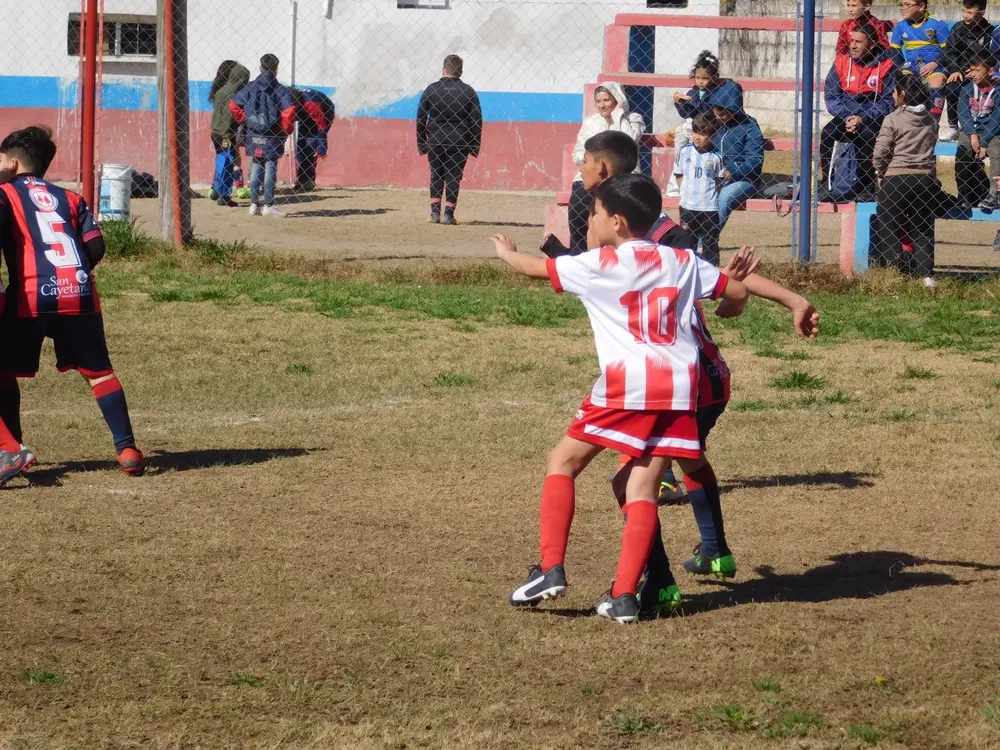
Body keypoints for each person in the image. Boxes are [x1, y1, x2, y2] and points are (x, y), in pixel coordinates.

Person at [497, 173, 750, 624]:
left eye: (594, 213)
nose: (590, 221)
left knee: (562, 462)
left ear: (616, 221)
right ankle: (625, 596)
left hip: (626, 385)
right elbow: (737, 290)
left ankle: (551, 567)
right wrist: (731, 307)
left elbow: (536, 268)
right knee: (641, 488)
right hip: (679, 389)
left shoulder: (600, 263)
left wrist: (506, 253)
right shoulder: (682, 260)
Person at [0, 126, 144, 480]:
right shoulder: (71, 197)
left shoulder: (4, 194)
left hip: (29, 298)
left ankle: (11, 449)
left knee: (3, 372)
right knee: (100, 373)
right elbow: (96, 247)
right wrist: (70, 274)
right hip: (79, 295)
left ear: (13, 163)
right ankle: (127, 449)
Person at [873, 74, 945, 287]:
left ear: (902, 94)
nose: (892, 95)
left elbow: (880, 153)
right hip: (924, 179)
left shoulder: (893, 119)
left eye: (895, 92)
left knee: (888, 224)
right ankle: (926, 275)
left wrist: (881, 172)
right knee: (922, 227)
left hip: (896, 178)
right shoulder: (931, 119)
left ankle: (895, 272)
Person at [563, 82, 645, 252]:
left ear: (617, 99)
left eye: (606, 100)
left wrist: (619, 114)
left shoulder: (633, 119)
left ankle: (619, 252)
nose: (602, 105)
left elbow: (628, 141)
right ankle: (577, 254)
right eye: (598, 101)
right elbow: (578, 152)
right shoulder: (591, 122)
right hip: (592, 174)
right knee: (577, 208)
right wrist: (593, 161)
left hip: (621, 175)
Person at [821, 24, 896, 201]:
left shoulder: (887, 65)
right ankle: (828, 184)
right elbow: (831, 97)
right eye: (851, 41)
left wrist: (863, 118)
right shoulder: (841, 63)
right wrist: (848, 117)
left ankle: (866, 187)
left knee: (869, 136)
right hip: (846, 115)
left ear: (871, 44)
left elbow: (888, 101)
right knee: (828, 133)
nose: (853, 46)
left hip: (872, 116)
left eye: (858, 42)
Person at [416, 55, 483, 226]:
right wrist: (474, 145)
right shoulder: (469, 92)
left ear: (443, 70)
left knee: (436, 174)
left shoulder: (431, 90)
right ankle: (449, 214)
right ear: (461, 71)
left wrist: (422, 143)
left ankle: (434, 213)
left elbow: (421, 118)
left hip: (436, 140)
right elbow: (476, 121)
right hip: (459, 141)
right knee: (454, 176)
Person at [229, 53, 296, 218]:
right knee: (270, 167)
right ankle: (268, 205)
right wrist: (284, 129)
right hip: (273, 135)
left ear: (260, 67)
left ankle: (254, 204)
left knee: (256, 165)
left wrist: (246, 120)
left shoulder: (250, 87)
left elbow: (234, 105)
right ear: (276, 69)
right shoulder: (279, 89)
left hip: (253, 133)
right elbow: (289, 111)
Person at [667, 51, 741, 199]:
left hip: (707, 128)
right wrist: (680, 103)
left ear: (713, 78)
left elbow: (706, 110)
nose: (700, 81)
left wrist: (690, 100)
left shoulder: (714, 93)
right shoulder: (693, 92)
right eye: (698, 78)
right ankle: (676, 187)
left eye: (705, 78)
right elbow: (687, 114)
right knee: (681, 151)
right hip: (693, 127)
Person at [706, 80, 764, 231]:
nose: (718, 114)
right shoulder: (712, 122)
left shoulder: (749, 125)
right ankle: (692, 238)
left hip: (744, 179)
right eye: (716, 109)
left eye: (723, 111)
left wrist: (732, 171)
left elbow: (755, 160)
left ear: (734, 109)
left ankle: (706, 240)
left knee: (724, 197)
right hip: (715, 176)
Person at [673, 113, 726, 266]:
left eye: (703, 133)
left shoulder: (717, 157)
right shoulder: (684, 152)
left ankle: (711, 271)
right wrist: (685, 193)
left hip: (709, 208)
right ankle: (687, 269)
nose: (697, 137)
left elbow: (719, 180)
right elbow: (679, 174)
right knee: (687, 241)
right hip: (688, 207)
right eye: (695, 131)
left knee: (710, 242)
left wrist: (709, 196)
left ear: (713, 135)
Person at [888, 1, 951, 123]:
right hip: (911, 65)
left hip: (933, 64)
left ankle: (933, 123)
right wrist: (901, 67)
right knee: (902, 83)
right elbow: (894, 52)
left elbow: (948, 49)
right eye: (901, 5)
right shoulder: (900, 26)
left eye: (907, 5)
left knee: (937, 81)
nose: (903, 8)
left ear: (921, 6)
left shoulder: (937, 23)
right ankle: (904, 121)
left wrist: (935, 63)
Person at [942, 0, 994, 143]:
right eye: (963, 11)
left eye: (970, 12)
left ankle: (982, 125)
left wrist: (980, 70)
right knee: (952, 88)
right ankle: (953, 126)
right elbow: (950, 52)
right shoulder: (958, 29)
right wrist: (954, 69)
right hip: (961, 71)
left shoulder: (989, 32)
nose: (965, 15)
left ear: (981, 13)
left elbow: (991, 56)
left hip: (982, 71)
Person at [955, 53, 1000, 207]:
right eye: (971, 70)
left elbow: (997, 120)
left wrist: (984, 142)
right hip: (970, 131)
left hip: (992, 132)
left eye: (978, 70)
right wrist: (972, 134)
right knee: (962, 152)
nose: (973, 74)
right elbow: (963, 113)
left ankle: (994, 195)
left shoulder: (998, 91)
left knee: (996, 153)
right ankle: (963, 195)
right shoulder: (967, 88)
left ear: (990, 71)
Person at [208, 60, 250, 207]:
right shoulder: (233, 94)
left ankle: (216, 189)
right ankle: (224, 195)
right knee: (228, 164)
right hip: (226, 134)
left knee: (221, 161)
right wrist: (227, 136)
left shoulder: (220, 91)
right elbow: (228, 117)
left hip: (215, 132)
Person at [291, 87, 335, 192]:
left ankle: (309, 181)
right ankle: (302, 179)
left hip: (324, 115)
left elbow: (321, 127)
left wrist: (322, 149)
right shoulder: (287, 98)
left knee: (310, 147)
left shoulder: (312, 104)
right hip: (305, 115)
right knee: (300, 148)